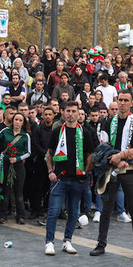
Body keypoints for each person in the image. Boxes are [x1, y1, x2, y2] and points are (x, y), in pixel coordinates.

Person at [90, 91, 133, 259]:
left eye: (125, 100)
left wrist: (121, 157)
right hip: (111, 169)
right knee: (106, 209)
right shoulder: (107, 123)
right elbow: (103, 147)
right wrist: (115, 160)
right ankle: (101, 244)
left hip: (129, 170)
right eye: (120, 100)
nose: (122, 103)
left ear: (131, 104)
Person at [45, 100, 94, 255]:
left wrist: (85, 173)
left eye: (74, 111)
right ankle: (49, 242)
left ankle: (67, 241)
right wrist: (50, 171)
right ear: (63, 112)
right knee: (53, 211)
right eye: (68, 111)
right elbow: (49, 154)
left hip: (77, 179)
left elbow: (89, 155)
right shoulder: (57, 131)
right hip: (60, 179)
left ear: (79, 113)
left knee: (73, 213)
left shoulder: (84, 132)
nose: (71, 114)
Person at [0, 110, 31, 225]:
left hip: (18, 164)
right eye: (16, 119)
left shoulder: (25, 135)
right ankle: (2, 215)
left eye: (20, 120)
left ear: (23, 123)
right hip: (6, 163)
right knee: (5, 190)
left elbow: (28, 152)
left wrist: (17, 159)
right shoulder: (5, 131)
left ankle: (20, 216)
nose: (17, 122)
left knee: (18, 191)